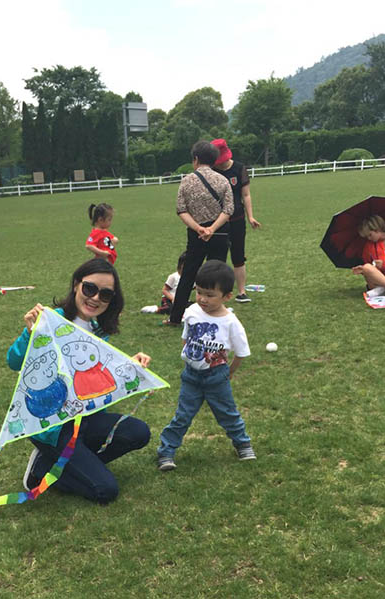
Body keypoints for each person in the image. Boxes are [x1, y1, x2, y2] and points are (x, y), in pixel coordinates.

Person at [7, 258, 152, 504]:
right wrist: (30, 334)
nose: (95, 298)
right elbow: (14, 361)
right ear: (76, 285)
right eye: (89, 288)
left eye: (105, 294)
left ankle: (60, 463)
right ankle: (41, 471)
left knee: (138, 432)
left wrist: (130, 364)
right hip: (51, 425)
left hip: (85, 417)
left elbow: (94, 370)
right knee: (105, 491)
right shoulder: (50, 319)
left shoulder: (98, 329)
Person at [156, 260, 255, 471]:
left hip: (217, 376)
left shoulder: (231, 322)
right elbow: (186, 336)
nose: (202, 299)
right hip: (191, 376)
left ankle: (242, 443)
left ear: (227, 296)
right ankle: (166, 451)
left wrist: (228, 373)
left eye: (210, 295)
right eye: (199, 292)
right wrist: (189, 357)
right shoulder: (192, 311)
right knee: (182, 415)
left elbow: (241, 353)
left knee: (227, 413)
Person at [167, 141, 234, 325]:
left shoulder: (187, 181)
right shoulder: (222, 180)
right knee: (217, 276)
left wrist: (199, 228)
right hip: (219, 233)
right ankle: (214, 315)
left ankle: (175, 317)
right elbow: (229, 210)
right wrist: (212, 228)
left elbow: (181, 210)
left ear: (195, 159)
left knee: (188, 275)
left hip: (196, 234)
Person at [211, 139, 262, 303]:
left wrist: (250, 216)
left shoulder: (239, 168)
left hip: (237, 219)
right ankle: (216, 292)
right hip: (217, 221)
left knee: (238, 256)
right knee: (218, 257)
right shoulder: (212, 171)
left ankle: (241, 292)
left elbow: (246, 195)